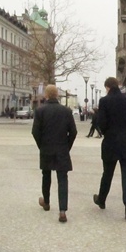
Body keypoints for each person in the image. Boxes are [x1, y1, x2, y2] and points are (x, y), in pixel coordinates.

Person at [93, 77, 126, 222]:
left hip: (110, 142)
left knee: (107, 173)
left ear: (107, 87)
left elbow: (101, 122)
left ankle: (101, 200)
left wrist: (106, 132)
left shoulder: (104, 101)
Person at [32, 85, 77, 223]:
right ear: (57, 95)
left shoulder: (40, 110)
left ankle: (46, 202)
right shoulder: (66, 111)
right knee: (62, 178)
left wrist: (41, 145)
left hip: (46, 147)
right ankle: (62, 210)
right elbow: (73, 132)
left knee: (46, 175)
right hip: (62, 148)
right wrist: (67, 146)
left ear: (46, 95)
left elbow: (35, 131)